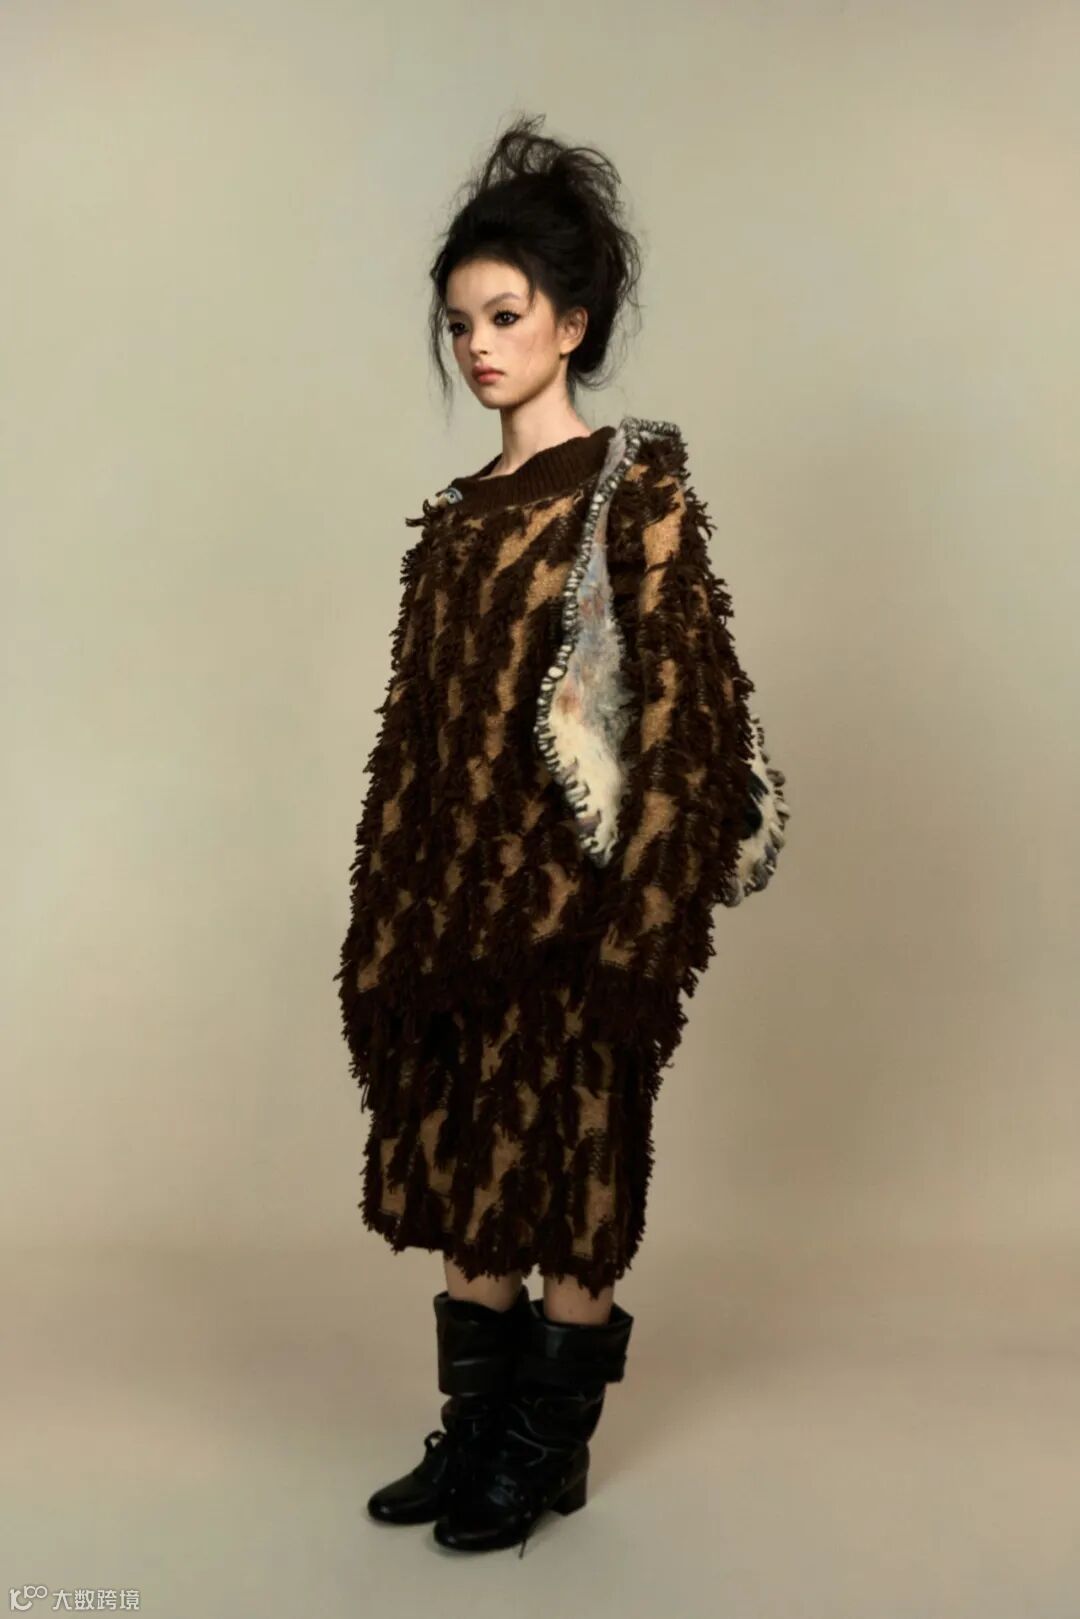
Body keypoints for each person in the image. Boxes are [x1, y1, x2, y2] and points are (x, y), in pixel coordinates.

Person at [334, 114, 790, 1558]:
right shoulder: (460, 516)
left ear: (572, 323)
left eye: (505, 315)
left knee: (574, 1178)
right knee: (467, 1171)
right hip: (453, 910)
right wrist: (388, 908)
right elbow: (418, 732)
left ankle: (546, 1452)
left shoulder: (630, 488)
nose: (478, 345)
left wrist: (642, 930)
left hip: (577, 909)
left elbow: (690, 719)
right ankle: (475, 1434)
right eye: (459, 323)